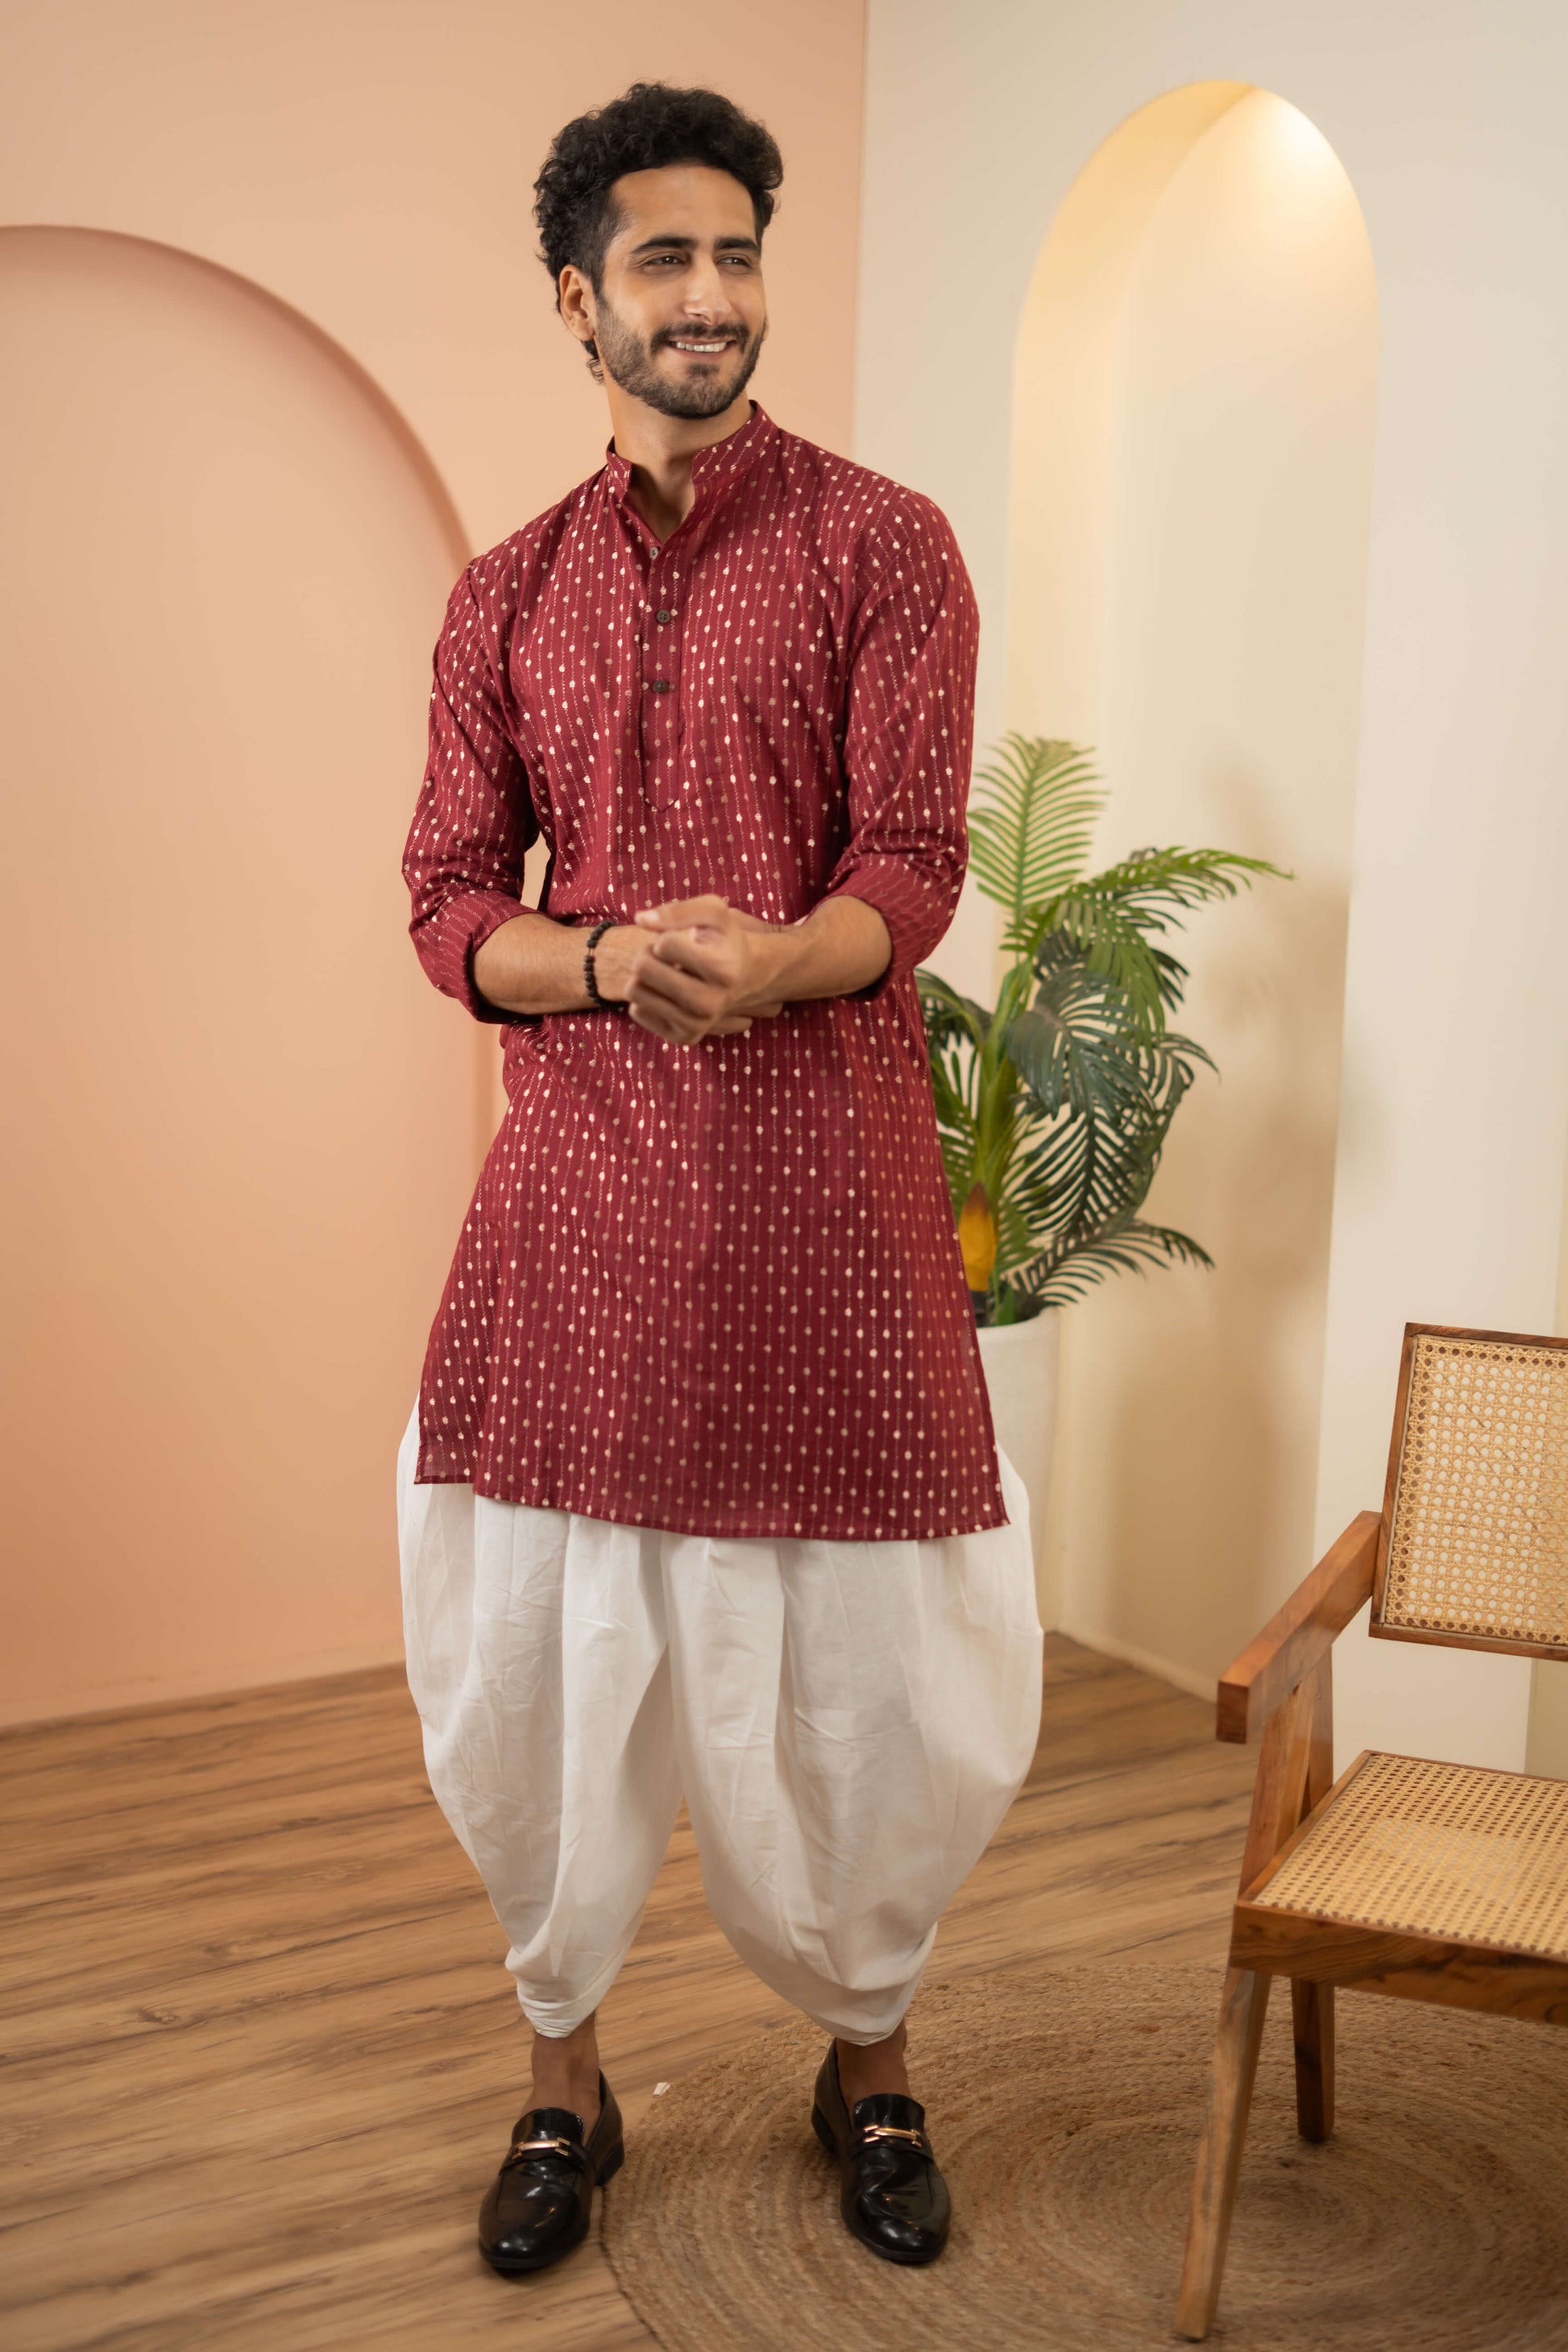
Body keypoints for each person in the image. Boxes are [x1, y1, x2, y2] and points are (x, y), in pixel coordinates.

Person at [398, 79, 1044, 2279]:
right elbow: (441, 897)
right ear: (577, 300)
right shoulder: (505, 595)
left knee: (869, 1678)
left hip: (828, 1217)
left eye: (736, 254)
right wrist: (590, 960)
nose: (709, 297)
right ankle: (559, 2075)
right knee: (542, 1675)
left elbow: (913, 861)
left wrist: (768, 962)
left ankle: (869, 2051)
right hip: (572, 1219)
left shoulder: (885, 544)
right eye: (661, 260)